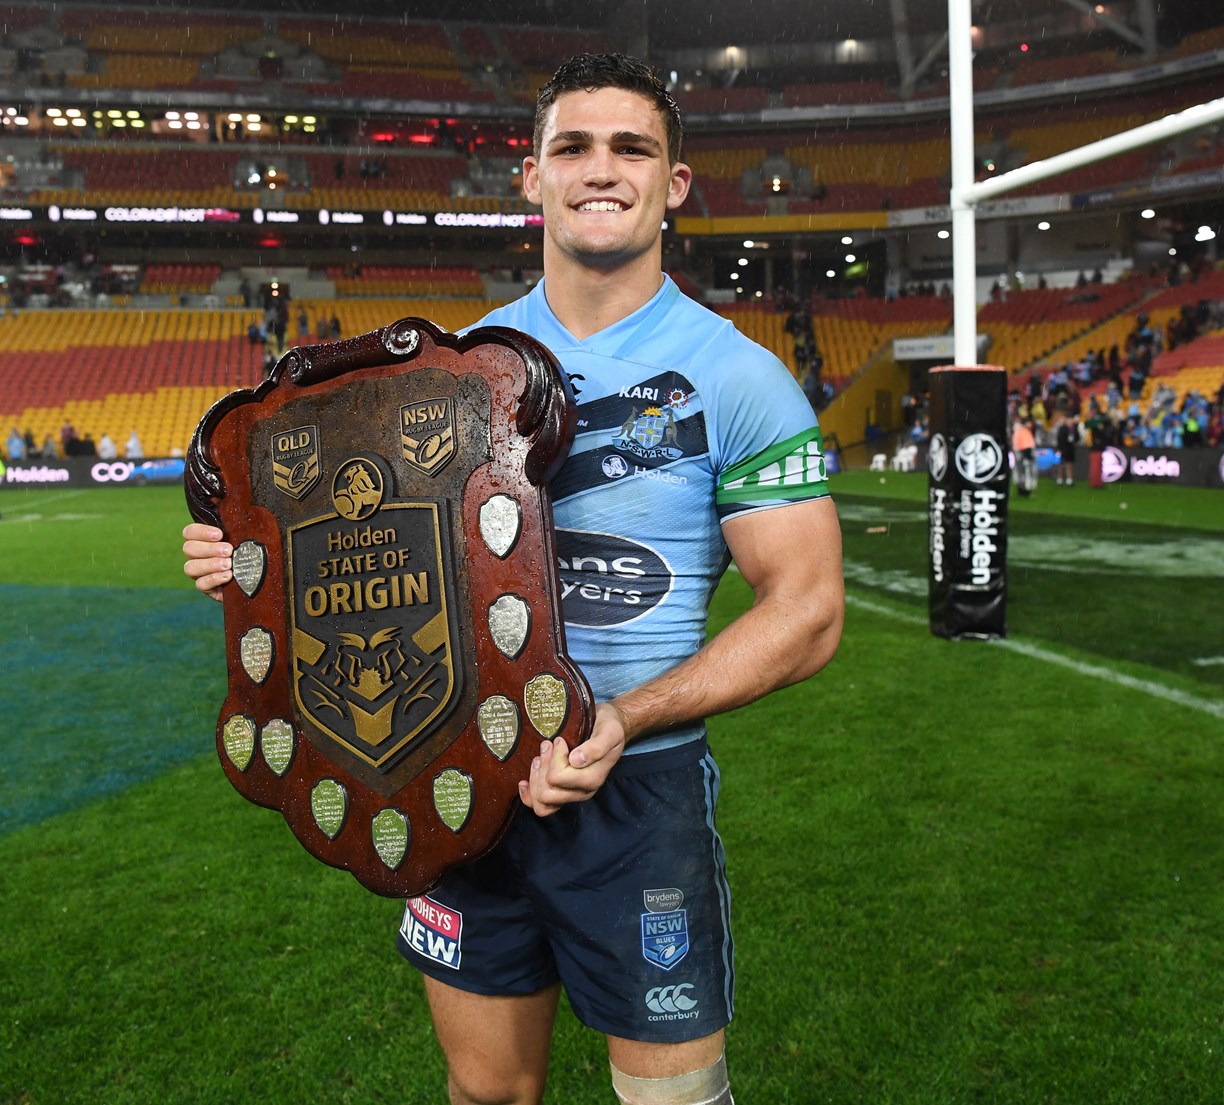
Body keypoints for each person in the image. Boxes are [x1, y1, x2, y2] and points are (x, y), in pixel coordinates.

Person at [181, 53, 844, 1105]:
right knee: (486, 1089)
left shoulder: (738, 378)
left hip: (636, 794)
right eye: (571, 146)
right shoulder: (444, 378)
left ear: (674, 183)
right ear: (531, 177)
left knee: (672, 1099)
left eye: (632, 148)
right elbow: (360, 554)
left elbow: (807, 612)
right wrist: (254, 570)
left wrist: (624, 717)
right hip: (449, 771)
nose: (601, 169)